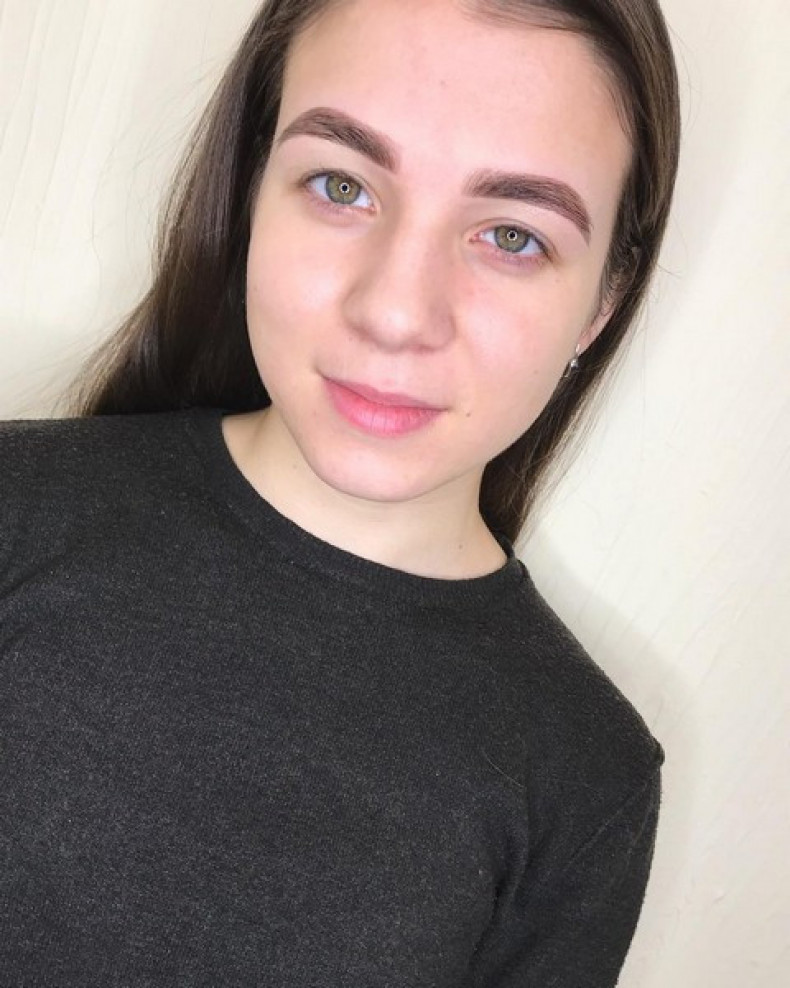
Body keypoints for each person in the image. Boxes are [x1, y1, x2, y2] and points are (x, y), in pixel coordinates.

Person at [0, 0, 680, 983]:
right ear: (252, 189)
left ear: (601, 304)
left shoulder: (587, 777)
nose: (396, 311)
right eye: (342, 185)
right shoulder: (18, 510)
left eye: (512, 235)